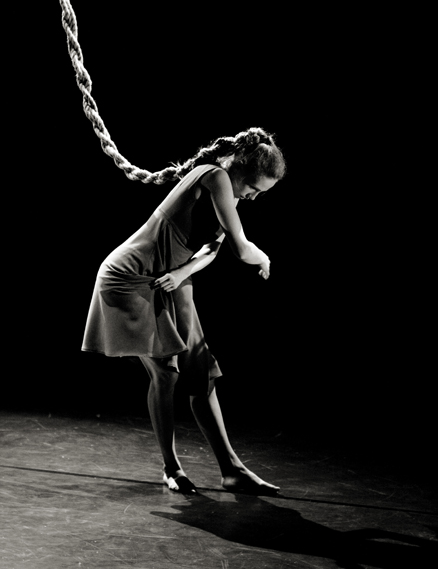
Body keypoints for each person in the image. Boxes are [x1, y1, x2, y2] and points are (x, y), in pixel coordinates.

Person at [82, 127, 286, 494]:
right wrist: (264, 257)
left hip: (170, 278)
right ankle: (171, 468)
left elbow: (212, 248)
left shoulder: (230, 192)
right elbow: (241, 249)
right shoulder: (215, 176)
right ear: (240, 166)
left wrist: (181, 273)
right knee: (166, 374)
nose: (254, 197)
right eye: (254, 188)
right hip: (133, 278)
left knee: (200, 373)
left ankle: (232, 470)